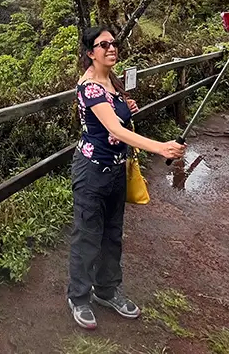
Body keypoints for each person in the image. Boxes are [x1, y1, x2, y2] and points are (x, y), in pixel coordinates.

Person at [67, 25, 187, 330]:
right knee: (87, 236)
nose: (111, 48)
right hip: (92, 171)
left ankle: (106, 291)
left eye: (113, 43)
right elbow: (114, 130)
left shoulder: (112, 84)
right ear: (90, 53)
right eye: (103, 44)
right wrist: (160, 147)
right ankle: (79, 297)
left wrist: (127, 106)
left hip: (117, 171)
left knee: (112, 235)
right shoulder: (90, 86)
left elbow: (119, 117)